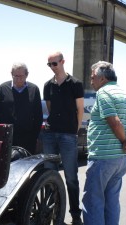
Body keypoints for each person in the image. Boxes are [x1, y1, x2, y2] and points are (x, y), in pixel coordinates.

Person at [82, 61, 126, 225]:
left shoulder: (104, 93)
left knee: (93, 203)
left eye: (93, 77)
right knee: (111, 203)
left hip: (103, 158)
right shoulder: (122, 94)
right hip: (120, 160)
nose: (91, 80)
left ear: (102, 79)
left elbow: (114, 122)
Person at [42, 51, 84, 225]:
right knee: (49, 175)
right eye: (49, 64)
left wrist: (75, 129)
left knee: (71, 177)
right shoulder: (47, 85)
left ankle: (75, 215)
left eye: (54, 64)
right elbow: (50, 109)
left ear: (62, 62)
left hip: (68, 135)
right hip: (50, 135)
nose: (52, 67)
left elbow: (80, 110)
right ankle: (51, 214)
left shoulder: (75, 83)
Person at [0, 62, 43, 155]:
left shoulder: (34, 89)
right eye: (16, 76)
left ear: (27, 75)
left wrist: (34, 136)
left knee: (26, 167)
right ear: (11, 74)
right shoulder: (2, 88)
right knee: (6, 167)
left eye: (21, 76)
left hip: (28, 139)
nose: (18, 79)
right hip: (6, 137)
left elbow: (38, 115)